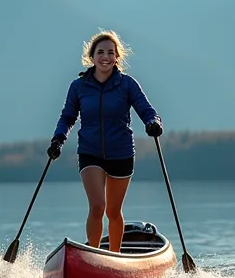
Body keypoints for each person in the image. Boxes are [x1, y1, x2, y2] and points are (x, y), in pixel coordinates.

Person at [48, 31, 163, 253]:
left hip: (121, 153)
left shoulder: (128, 85)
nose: (105, 57)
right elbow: (67, 117)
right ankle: (93, 254)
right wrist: (58, 140)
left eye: (111, 52)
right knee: (97, 206)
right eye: (100, 52)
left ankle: (115, 257)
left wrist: (153, 122)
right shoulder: (78, 87)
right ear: (91, 57)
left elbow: (146, 109)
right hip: (90, 152)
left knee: (113, 211)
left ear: (117, 57)